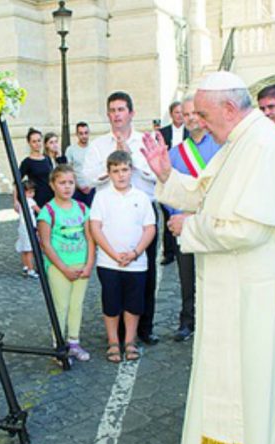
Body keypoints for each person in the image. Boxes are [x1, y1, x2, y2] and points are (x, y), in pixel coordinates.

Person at [141, 70, 275, 444]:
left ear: (229, 108)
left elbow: (249, 227)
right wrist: (165, 174)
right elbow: (205, 192)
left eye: (202, 113)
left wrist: (189, 228)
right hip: (235, 291)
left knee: (246, 388)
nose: (196, 120)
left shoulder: (262, 144)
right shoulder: (239, 141)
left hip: (251, 298)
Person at [82, 91, 160, 346]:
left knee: (143, 275)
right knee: (112, 275)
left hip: (141, 212)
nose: (116, 115)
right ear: (108, 115)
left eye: (121, 110)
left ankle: (143, 329)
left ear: (131, 113)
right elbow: (88, 177)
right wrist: (112, 165)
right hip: (109, 215)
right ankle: (117, 333)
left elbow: (155, 174)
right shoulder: (98, 145)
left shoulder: (144, 141)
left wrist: (131, 157)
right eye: (112, 111)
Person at [164, 95, 221, 342]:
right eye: (185, 115)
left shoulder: (221, 147)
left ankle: (214, 323)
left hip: (212, 224)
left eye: (193, 113)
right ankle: (187, 321)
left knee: (215, 277)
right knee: (187, 277)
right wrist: (178, 216)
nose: (190, 118)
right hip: (185, 227)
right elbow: (166, 189)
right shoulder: (175, 153)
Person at [90, 150, 156, 362]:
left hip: (136, 263)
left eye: (125, 170)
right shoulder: (101, 197)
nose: (121, 175)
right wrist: (114, 254)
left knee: (133, 305)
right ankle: (113, 342)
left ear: (132, 171)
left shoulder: (142, 197)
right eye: (115, 171)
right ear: (108, 173)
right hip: (109, 263)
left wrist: (135, 253)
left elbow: (150, 228)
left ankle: (130, 340)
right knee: (111, 304)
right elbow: (96, 228)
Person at [37, 164, 95, 362]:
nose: (67, 187)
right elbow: (46, 244)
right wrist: (63, 268)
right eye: (62, 183)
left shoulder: (82, 208)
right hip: (59, 268)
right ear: (53, 185)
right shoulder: (48, 211)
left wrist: (88, 265)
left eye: (71, 182)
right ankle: (59, 346)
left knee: (76, 305)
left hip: (80, 265)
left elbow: (89, 238)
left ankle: (74, 342)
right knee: (61, 306)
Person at [158, 101, 189, 266]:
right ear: (171, 114)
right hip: (168, 178)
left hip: (186, 178)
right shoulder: (163, 133)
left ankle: (185, 247)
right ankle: (169, 252)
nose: (180, 115)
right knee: (168, 216)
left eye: (182, 112)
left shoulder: (190, 132)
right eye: (177, 112)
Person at [19, 128, 54, 209]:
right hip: (37, 199)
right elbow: (16, 182)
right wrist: (17, 201)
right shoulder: (27, 162)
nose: (37, 144)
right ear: (29, 143)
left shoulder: (47, 159)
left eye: (39, 140)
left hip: (51, 197)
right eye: (34, 141)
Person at [15, 179, 40, 279]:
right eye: (30, 192)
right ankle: (30, 269)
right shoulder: (30, 201)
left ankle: (25, 266)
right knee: (29, 249)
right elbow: (38, 210)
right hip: (29, 226)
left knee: (24, 248)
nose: (32, 194)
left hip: (22, 226)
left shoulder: (21, 201)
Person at [66, 122, 93, 205]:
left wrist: (92, 185)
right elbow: (68, 171)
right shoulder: (71, 150)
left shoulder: (94, 148)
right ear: (76, 134)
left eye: (86, 133)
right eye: (81, 133)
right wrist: (78, 186)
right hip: (76, 190)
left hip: (92, 188)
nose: (84, 136)